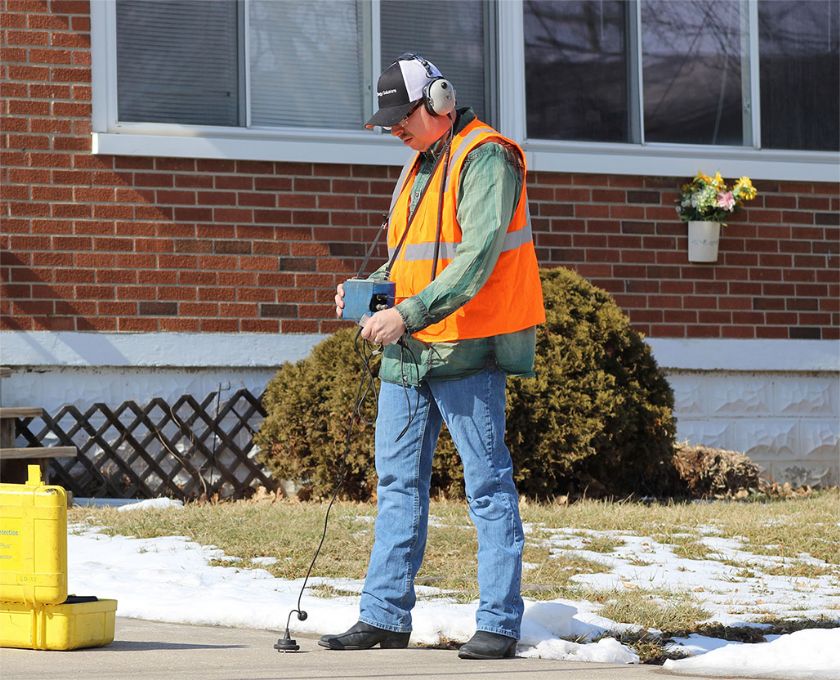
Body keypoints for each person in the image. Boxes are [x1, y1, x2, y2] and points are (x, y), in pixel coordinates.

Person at [319, 54, 545, 660]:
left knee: (487, 485)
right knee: (397, 483)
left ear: (440, 102)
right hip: (409, 351)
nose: (395, 128)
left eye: (403, 116)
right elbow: (412, 259)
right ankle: (384, 616)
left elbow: (476, 260)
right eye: (388, 120)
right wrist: (368, 290)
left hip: (466, 349)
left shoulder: (487, 157)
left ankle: (499, 622)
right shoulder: (418, 165)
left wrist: (408, 314)